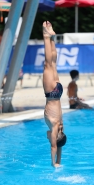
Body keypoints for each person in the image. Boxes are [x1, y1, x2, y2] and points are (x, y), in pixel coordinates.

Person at [42, 21, 67, 168]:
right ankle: (46, 36)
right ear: (56, 137)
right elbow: (54, 147)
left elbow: (59, 146)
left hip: (58, 91)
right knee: (47, 63)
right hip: (51, 93)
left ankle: (51, 36)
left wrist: (59, 161)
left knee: (53, 63)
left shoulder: (61, 127)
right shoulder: (55, 128)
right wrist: (53, 164)